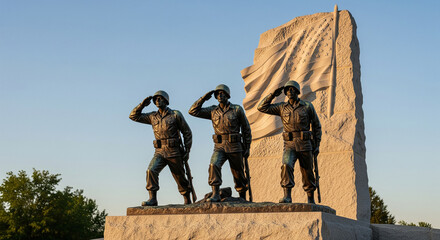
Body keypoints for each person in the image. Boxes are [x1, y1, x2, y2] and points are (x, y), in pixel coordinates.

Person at [257, 80, 321, 204]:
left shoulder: (307, 106)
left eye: (292, 90)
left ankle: (310, 198)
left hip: (305, 143)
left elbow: (316, 126)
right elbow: (261, 107)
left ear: (297, 91)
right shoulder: (281, 107)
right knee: (286, 165)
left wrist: (317, 144)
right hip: (289, 144)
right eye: (287, 90)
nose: (290, 92)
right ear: (285, 93)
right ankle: (287, 196)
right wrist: (272, 95)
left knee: (307, 171)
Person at [189, 84, 252, 202]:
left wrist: (247, 146)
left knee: (238, 173)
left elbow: (246, 128)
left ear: (227, 95)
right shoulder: (213, 111)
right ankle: (215, 193)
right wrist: (203, 98)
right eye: (217, 94)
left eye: (222, 93)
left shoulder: (237, 109)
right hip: (219, 146)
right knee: (214, 165)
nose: (220, 95)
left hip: (235, 146)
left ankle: (242, 197)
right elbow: (193, 111)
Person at [129, 90, 193, 206]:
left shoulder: (175, 114)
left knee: (179, 177)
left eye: (160, 98)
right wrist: (142, 105)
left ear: (166, 100)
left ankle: (187, 198)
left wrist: (187, 150)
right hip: (159, 151)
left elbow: (187, 132)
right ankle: (152, 198)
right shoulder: (152, 116)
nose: (157, 101)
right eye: (155, 99)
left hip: (174, 151)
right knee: (151, 170)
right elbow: (133, 116)